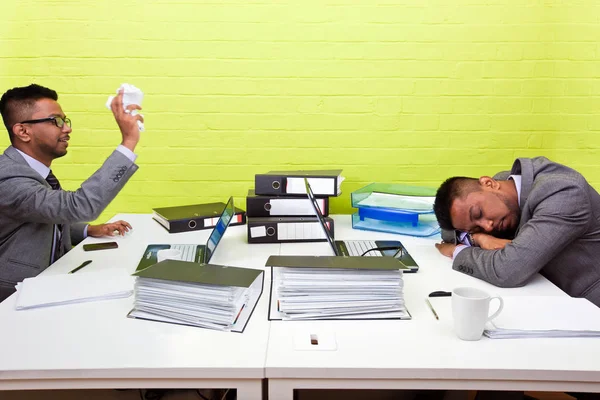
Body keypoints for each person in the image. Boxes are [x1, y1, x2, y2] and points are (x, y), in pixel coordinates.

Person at [0, 83, 143, 302]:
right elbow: (78, 206)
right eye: (55, 121)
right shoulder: (7, 178)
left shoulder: (32, 170)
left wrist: (87, 230)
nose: (67, 128)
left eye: (65, 121)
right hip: (13, 297)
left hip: (50, 281)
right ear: (23, 131)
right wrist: (128, 142)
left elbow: (40, 217)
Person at [433, 156, 600, 307]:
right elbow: (448, 231)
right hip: (547, 295)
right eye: (476, 226)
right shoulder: (504, 186)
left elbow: (508, 270)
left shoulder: (564, 193)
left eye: (478, 213)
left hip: (588, 307)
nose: (488, 226)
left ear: (489, 183)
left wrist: (458, 251)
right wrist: (479, 238)